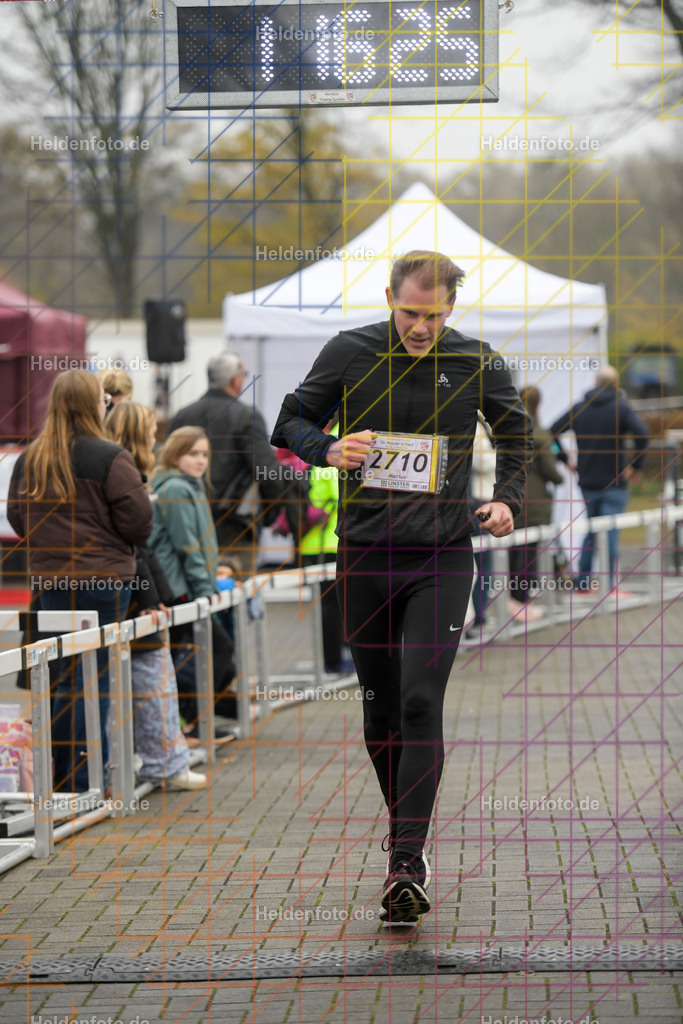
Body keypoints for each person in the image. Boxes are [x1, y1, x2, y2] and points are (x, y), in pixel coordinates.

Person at [271, 250, 532, 924]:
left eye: (434, 315)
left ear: (451, 308)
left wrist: (506, 500)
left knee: (419, 703)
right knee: (378, 713)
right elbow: (289, 422)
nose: (421, 326)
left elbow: (515, 435)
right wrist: (325, 448)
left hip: (442, 556)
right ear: (390, 297)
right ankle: (407, 834)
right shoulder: (348, 350)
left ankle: (404, 860)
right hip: (364, 556)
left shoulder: (476, 361)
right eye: (411, 312)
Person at [7, 369, 153, 792]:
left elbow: (19, 520)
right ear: (97, 403)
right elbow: (140, 523)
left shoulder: (32, 457)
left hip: (52, 581)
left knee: (65, 676)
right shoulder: (110, 456)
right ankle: (89, 780)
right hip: (104, 579)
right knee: (95, 677)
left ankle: (67, 777)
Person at [105, 402, 207, 790]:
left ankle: (160, 760)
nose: (154, 436)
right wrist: (155, 595)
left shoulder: (137, 473)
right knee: (151, 677)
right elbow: (139, 541)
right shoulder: (126, 471)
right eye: (149, 429)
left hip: (138, 590)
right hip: (133, 591)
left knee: (147, 677)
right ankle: (163, 763)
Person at [168, 352, 302, 576]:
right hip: (235, 526)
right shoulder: (245, 416)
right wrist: (268, 514)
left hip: (187, 522)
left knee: (193, 599)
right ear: (235, 380)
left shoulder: (182, 415)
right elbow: (267, 471)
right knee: (235, 594)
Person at [148, 426, 240, 740]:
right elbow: (186, 544)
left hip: (186, 586)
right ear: (175, 455)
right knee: (217, 650)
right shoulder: (176, 488)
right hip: (178, 590)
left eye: (204, 454)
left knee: (195, 655)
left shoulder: (191, 486)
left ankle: (187, 724)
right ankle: (187, 724)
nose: (200, 461)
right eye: (193, 454)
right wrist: (204, 587)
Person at [550, 365, 650, 598]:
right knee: (610, 533)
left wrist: (565, 459)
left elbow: (551, 433)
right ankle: (609, 586)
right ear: (615, 385)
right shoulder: (622, 408)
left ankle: (583, 584)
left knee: (592, 531)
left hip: (587, 481)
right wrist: (636, 467)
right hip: (614, 483)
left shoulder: (579, 408)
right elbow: (643, 435)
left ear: (595, 383)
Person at [507, 386, 564, 621]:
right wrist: (560, 477)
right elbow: (552, 472)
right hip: (535, 502)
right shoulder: (540, 433)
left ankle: (513, 600)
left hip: (511, 498)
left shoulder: (508, 430)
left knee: (514, 552)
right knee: (529, 555)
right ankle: (521, 603)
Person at [467, 416, 497, 637]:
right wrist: (504, 455)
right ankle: (478, 617)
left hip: (481, 498)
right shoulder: (474, 426)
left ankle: (479, 615)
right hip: (478, 501)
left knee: (482, 564)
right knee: (481, 564)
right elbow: (483, 461)